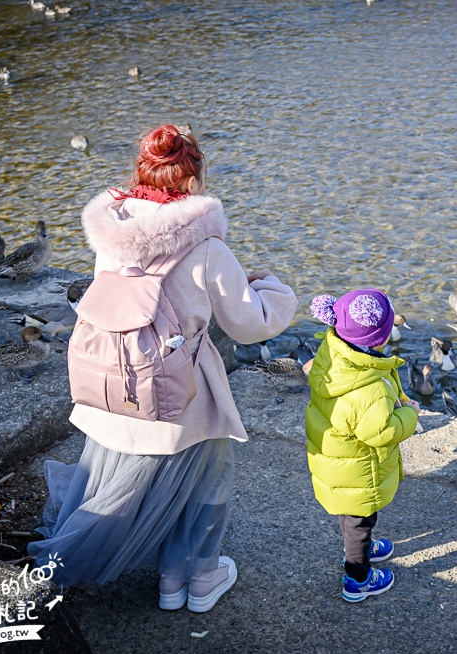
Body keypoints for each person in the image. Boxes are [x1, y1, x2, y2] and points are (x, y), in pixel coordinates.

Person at [28, 124, 298, 613]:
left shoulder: (112, 235)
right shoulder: (207, 247)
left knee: (152, 481)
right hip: (180, 389)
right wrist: (276, 290)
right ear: (192, 184)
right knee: (207, 478)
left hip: (121, 380)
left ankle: (170, 582)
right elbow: (249, 324)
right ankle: (196, 578)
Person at [306, 289, 420, 603]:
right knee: (360, 521)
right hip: (358, 470)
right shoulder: (369, 388)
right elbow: (381, 431)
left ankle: (361, 547)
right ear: (379, 340)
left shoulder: (332, 355)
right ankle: (358, 580)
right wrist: (410, 413)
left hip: (337, 459)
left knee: (350, 515)